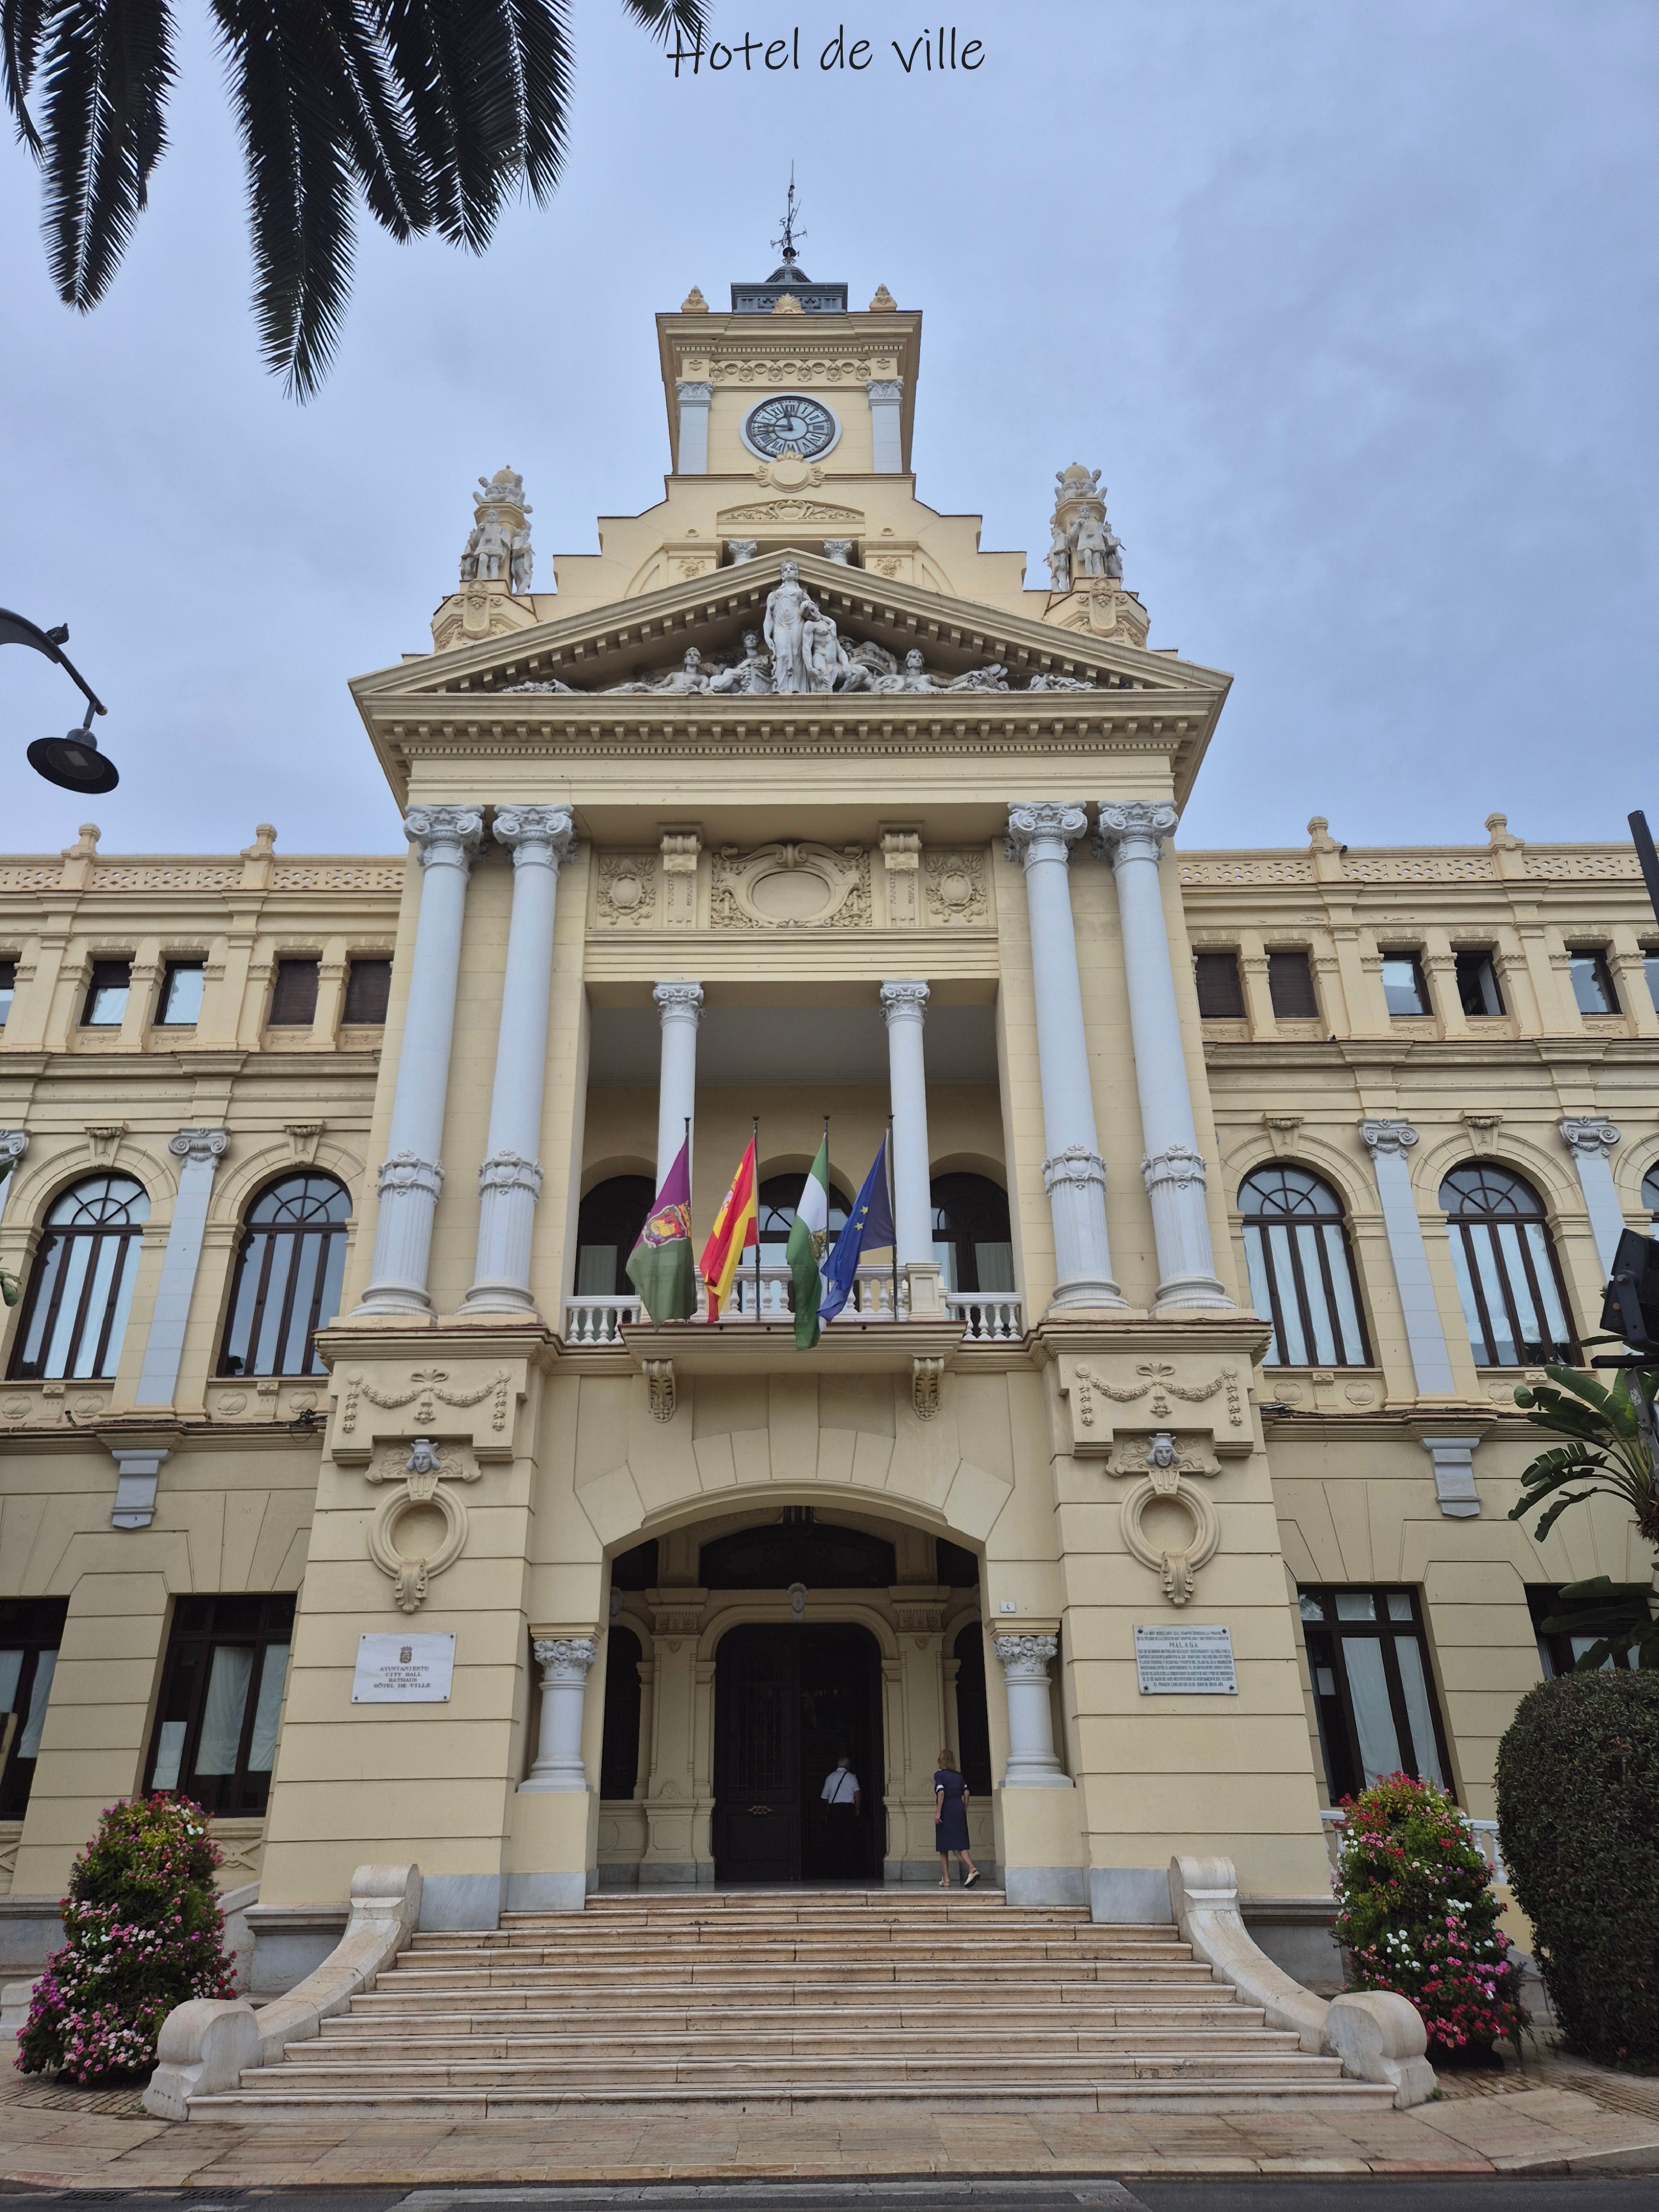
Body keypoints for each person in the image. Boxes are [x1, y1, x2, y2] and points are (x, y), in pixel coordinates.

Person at [934, 1749, 979, 1888]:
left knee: (943, 1845)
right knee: (960, 1841)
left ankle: (949, 1877)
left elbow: (941, 1793)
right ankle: (970, 1868)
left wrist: (938, 1812)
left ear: (941, 1760)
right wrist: (964, 1808)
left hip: (947, 1809)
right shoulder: (959, 1776)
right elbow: (967, 1792)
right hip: (958, 1808)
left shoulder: (939, 1775)